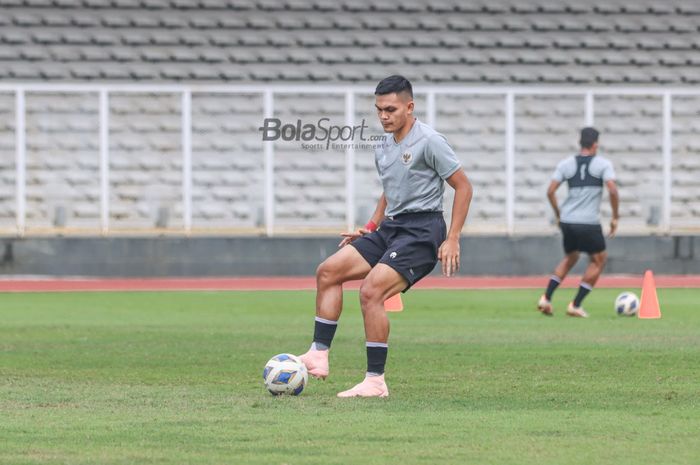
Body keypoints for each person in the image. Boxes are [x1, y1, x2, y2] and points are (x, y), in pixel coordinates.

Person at [298, 75, 473, 397]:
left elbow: (463, 186)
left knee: (371, 291)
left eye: (390, 109)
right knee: (328, 271)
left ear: (409, 107)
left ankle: (375, 381)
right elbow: (390, 191)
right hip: (391, 227)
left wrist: (453, 237)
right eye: (379, 110)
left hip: (422, 231)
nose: (383, 116)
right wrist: (370, 227)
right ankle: (318, 354)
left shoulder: (430, 141)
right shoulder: (383, 144)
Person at [537, 127, 619, 318]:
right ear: (595, 144)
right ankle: (575, 304)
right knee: (599, 260)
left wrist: (559, 213)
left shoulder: (566, 164)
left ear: (580, 143)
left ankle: (546, 298)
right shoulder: (603, 164)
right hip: (588, 222)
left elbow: (550, 191)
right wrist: (615, 217)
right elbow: (613, 191)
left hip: (567, 220)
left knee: (570, 257)